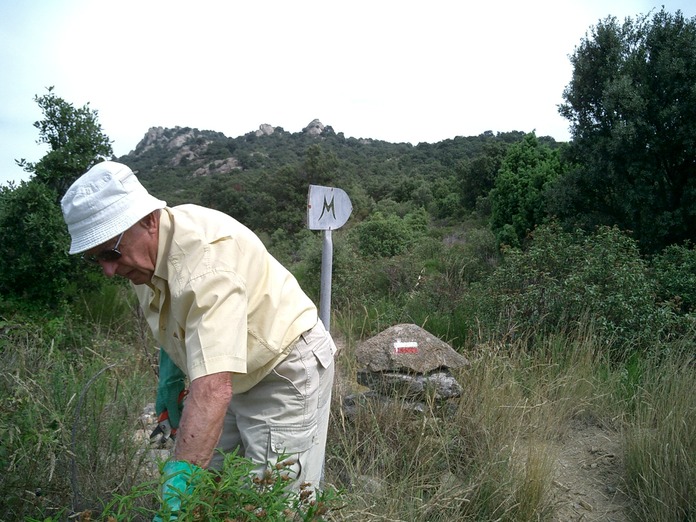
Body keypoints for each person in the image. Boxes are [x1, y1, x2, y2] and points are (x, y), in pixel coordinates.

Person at [61, 160, 336, 518]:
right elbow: (176, 314)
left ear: (148, 220)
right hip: (232, 372)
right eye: (95, 258)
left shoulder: (207, 265)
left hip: (282, 365)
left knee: (274, 504)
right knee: (213, 490)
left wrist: (176, 493)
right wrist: (170, 378)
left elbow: (212, 389)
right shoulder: (143, 258)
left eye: (111, 253)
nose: (108, 269)